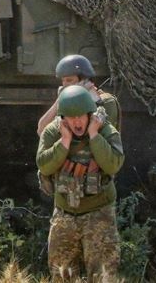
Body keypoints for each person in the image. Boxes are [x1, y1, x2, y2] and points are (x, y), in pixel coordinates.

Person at [37, 85, 125, 281]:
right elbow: (44, 166)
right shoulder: (54, 132)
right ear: (63, 118)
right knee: (61, 275)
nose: (76, 121)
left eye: (81, 116)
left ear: (89, 114)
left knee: (103, 276)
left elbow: (113, 165)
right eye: (71, 116)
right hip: (64, 214)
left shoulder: (105, 130)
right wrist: (65, 142)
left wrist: (94, 135)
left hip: (99, 214)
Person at [36, 54, 120, 137]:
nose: (65, 85)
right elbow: (42, 131)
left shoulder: (107, 101)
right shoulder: (67, 103)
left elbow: (96, 134)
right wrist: (59, 100)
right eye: (63, 81)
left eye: (69, 80)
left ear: (84, 80)